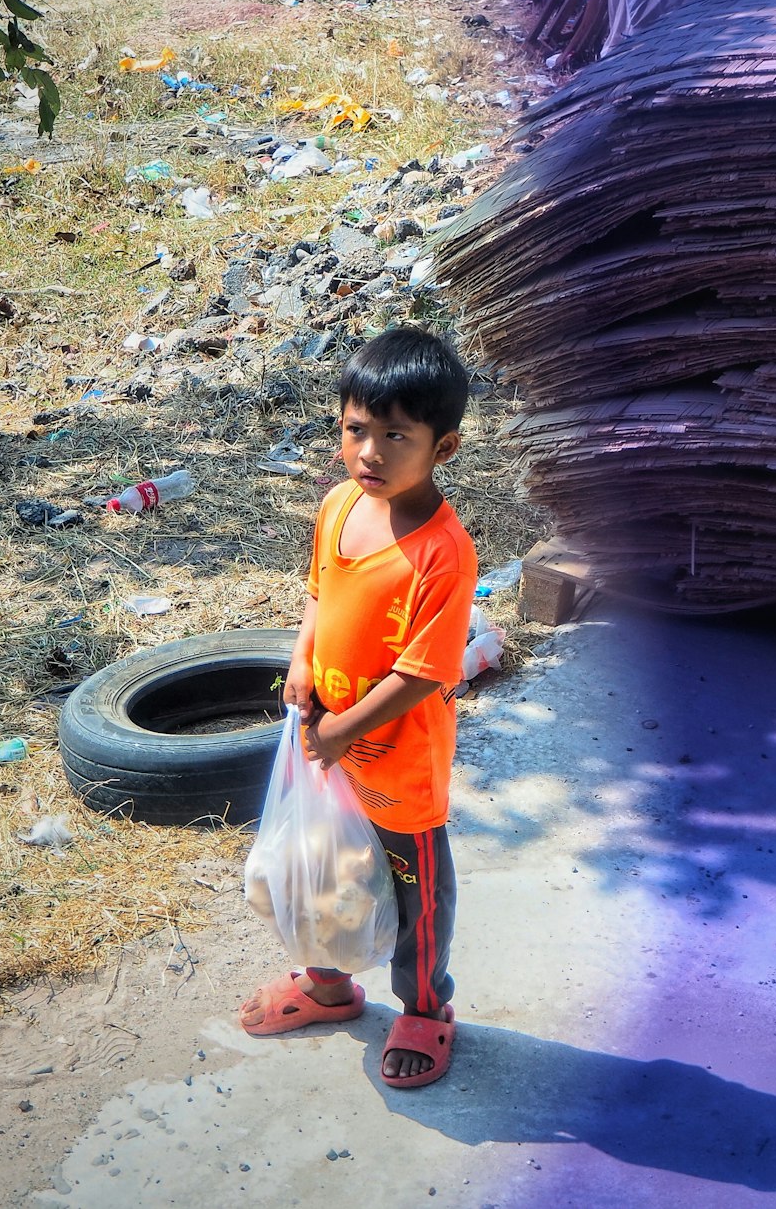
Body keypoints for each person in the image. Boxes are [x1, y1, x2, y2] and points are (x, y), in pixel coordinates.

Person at [239, 326, 478, 1089]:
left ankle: (425, 1009)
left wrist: (341, 730)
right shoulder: (340, 507)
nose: (369, 452)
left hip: (397, 768)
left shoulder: (444, 552)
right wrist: (304, 659)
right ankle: (328, 983)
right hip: (327, 748)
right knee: (319, 868)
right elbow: (319, 593)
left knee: (416, 899)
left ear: (443, 448)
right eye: (356, 430)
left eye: (395, 436)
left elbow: (422, 673)